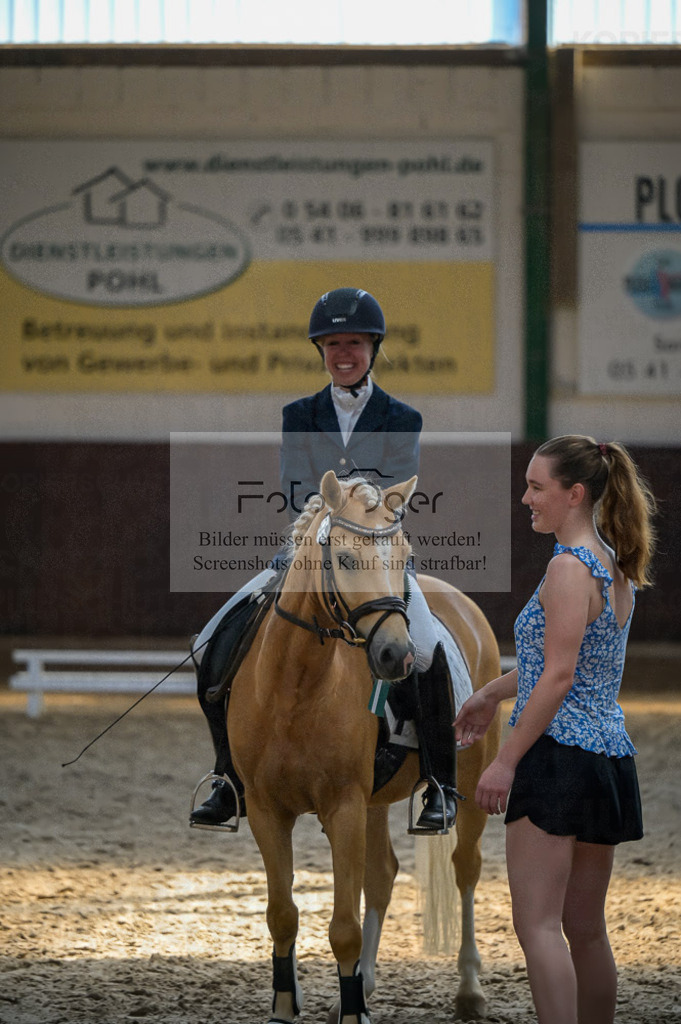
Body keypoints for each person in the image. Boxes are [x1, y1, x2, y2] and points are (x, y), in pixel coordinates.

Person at [190, 287, 459, 833]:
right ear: (321, 350)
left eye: (354, 343)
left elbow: (394, 493)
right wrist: (322, 511)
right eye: (333, 343)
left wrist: (347, 504)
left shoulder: (402, 417)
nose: (344, 353)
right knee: (208, 641)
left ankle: (438, 783)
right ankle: (229, 777)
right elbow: (294, 488)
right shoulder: (299, 414)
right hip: (307, 551)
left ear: (372, 348)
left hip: (378, 557)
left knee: (428, 650)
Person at [453, 435, 656, 1024]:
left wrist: (505, 760)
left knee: (537, 925)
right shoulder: (614, 566)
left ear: (574, 494)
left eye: (536, 488)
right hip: (608, 759)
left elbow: (560, 676)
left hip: (559, 760)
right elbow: (560, 664)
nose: (525, 499)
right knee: (586, 930)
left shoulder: (568, 569)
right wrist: (491, 692)